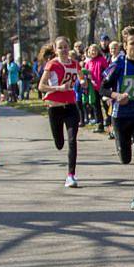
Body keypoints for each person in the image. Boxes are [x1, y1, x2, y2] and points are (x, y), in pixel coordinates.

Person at [101, 26, 134, 212]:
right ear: (125, 45)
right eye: (132, 44)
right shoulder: (117, 65)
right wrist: (115, 96)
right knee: (125, 158)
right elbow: (102, 88)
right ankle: (118, 141)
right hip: (120, 117)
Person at [38, 38, 81, 188]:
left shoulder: (75, 64)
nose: (63, 50)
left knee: (72, 140)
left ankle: (71, 175)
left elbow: (81, 78)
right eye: (60, 47)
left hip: (70, 107)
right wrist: (58, 88)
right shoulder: (52, 64)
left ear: (69, 48)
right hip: (55, 108)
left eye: (65, 47)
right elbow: (41, 86)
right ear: (55, 50)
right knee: (59, 143)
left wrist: (84, 82)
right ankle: (59, 143)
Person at [84, 44, 109, 133]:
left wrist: (105, 81)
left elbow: (107, 71)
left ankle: (109, 121)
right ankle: (100, 124)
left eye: (95, 50)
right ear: (89, 52)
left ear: (98, 51)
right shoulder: (88, 62)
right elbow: (85, 73)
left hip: (102, 86)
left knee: (106, 105)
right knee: (96, 106)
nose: (93, 52)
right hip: (93, 87)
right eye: (91, 51)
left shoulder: (102, 60)